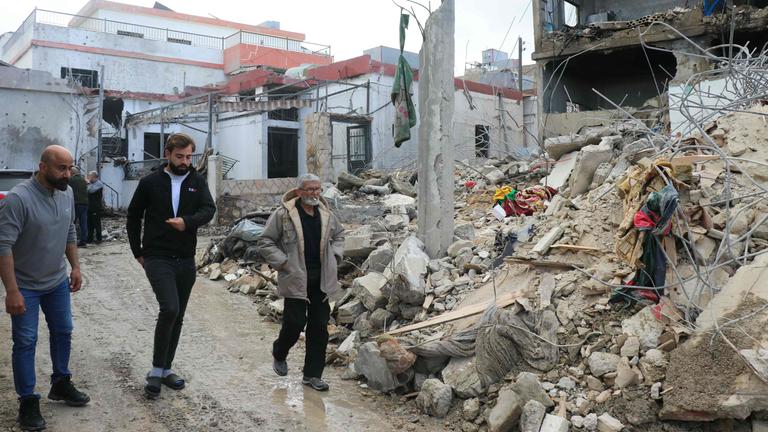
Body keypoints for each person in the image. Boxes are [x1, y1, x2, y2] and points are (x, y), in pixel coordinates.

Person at [0, 145, 90, 431]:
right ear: (43, 167)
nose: (68, 173)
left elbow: (70, 230)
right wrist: (11, 290)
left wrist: (75, 266)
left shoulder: (68, 192)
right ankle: (28, 401)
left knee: (63, 331)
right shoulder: (18, 199)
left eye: (70, 167)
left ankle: (60, 383)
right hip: (25, 285)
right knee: (26, 342)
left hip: (56, 282)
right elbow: (3, 246)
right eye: (61, 168)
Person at [126, 133, 215, 399]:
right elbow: (133, 216)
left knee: (178, 316)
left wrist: (187, 222)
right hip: (157, 256)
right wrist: (137, 252)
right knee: (170, 308)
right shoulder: (150, 182)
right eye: (180, 156)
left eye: (189, 157)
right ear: (168, 153)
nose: (185, 162)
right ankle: (155, 369)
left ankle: (165, 369)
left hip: (185, 259)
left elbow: (209, 210)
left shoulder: (197, 181)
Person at [257, 173, 345, 392]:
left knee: (319, 329)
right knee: (294, 324)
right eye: (310, 190)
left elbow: (340, 236)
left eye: (317, 189)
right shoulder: (284, 215)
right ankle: (279, 352)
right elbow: (265, 241)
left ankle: (312, 375)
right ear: (299, 192)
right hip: (296, 278)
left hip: (321, 281)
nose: (314, 194)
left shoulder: (326, 214)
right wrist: (283, 262)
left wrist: (335, 257)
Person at [68, 168, 88, 248]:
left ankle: (71, 241)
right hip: (85, 203)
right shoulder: (83, 180)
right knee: (83, 223)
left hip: (76, 203)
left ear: (72, 172)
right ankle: (83, 241)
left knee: (72, 223)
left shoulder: (71, 180)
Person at [86, 171, 104, 244]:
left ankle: (99, 239)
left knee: (96, 223)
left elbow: (90, 191)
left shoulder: (99, 184)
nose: (88, 178)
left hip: (95, 207)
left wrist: (88, 183)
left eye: (89, 176)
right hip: (90, 206)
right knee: (89, 223)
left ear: (94, 177)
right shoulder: (92, 184)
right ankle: (90, 239)